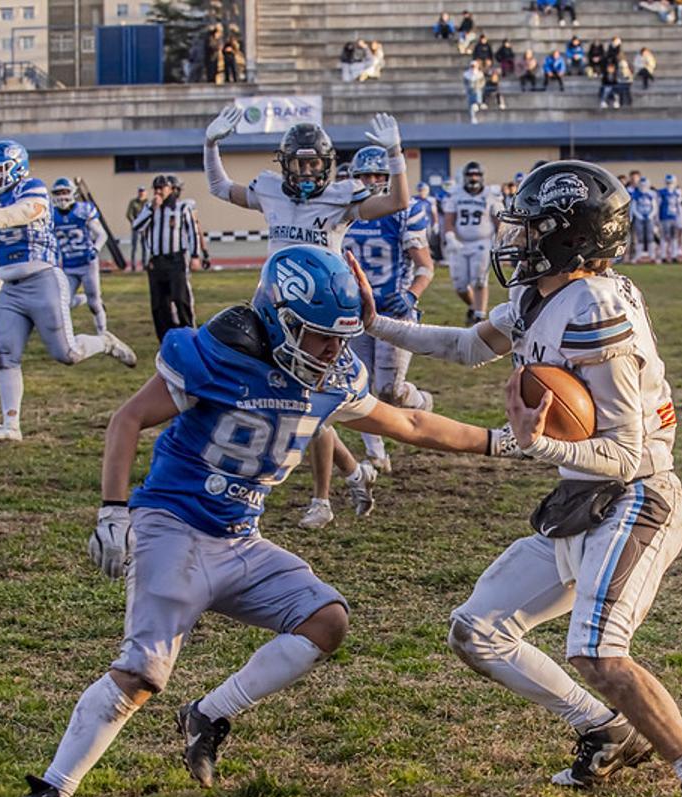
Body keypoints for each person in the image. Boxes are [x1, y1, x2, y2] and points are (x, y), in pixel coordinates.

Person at [14, 245, 531, 797]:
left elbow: (408, 422)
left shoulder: (332, 376)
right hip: (174, 527)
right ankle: (52, 789)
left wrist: (500, 442)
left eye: (340, 338)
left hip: (240, 536)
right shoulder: (219, 354)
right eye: (321, 336)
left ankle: (208, 714)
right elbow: (127, 418)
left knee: (326, 621)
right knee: (141, 674)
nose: (333, 352)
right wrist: (113, 510)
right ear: (281, 319)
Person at [359, 160, 682, 797]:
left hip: (637, 496)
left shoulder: (597, 309)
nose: (516, 237)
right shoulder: (543, 294)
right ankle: (605, 727)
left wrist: (535, 446)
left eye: (532, 226)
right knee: (476, 629)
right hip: (582, 495)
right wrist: (378, 325)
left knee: (599, 651)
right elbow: (466, 347)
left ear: (571, 236)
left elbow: (626, 456)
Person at [203, 107, 412, 526]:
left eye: (314, 163)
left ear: (326, 164)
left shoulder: (342, 197)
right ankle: (354, 473)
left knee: (311, 405)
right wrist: (210, 146)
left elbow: (397, 201)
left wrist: (396, 155)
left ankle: (324, 500)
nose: (306, 172)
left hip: (322, 315)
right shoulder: (270, 191)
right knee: (296, 404)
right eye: (299, 163)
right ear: (284, 164)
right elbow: (220, 187)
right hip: (274, 309)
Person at [0, 140, 136, 442]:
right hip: (11, 289)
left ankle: (106, 342)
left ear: (17, 168)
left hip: (43, 280)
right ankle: (11, 425)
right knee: (6, 352)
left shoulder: (33, 189)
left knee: (68, 354)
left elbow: (14, 215)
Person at [338, 146, 435, 476]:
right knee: (358, 386)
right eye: (365, 175)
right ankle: (376, 454)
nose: (372, 181)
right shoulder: (344, 209)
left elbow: (425, 266)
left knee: (389, 391)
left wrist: (411, 295)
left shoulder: (406, 211)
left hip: (394, 312)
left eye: (379, 175)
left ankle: (420, 401)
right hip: (356, 312)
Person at [132, 174, 200, 341]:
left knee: (180, 298)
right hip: (156, 261)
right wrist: (151, 209)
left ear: (170, 189)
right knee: (159, 304)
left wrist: (195, 255)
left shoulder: (181, 208)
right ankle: (166, 340)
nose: (158, 191)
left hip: (176, 259)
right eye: (155, 188)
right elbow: (137, 226)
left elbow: (192, 232)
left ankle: (189, 335)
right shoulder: (150, 208)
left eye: (161, 188)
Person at [442, 160, 502, 325]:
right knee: (460, 286)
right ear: (464, 177)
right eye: (470, 174)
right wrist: (450, 237)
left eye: (476, 174)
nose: (473, 178)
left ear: (482, 176)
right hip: (459, 243)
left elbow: (498, 221)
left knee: (479, 281)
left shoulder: (491, 195)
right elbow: (449, 219)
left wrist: (501, 241)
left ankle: (479, 316)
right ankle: (473, 306)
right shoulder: (456, 194)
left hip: (482, 242)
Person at [51, 178, 108, 333]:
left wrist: (95, 249)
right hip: (69, 265)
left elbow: (102, 234)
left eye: (65, 192)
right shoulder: (52, 215)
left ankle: (103, 333)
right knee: (64, 303)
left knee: (94, 303)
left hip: (87, 263)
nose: (62, 196)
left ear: (73, 193)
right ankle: (82, 300)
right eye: (58, 193)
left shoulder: (83, 211)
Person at [657, 174, 682, 263]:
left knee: (674, 237)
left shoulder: (677, 193)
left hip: (674, 217)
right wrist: (657, 218)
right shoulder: (661, 192)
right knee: (664, 237)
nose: (670, 184)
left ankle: (674, 256)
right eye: (668, 182)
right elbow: (658, 206)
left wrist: (681, 218)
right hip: (664, 217)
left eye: (671, 182)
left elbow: (679, 206)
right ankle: (663, 256)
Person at [629, 178, 658, 262]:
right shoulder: (636, 194)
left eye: (645, 185)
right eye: (642, 185)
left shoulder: (651, 194)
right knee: (640, 237)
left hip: (649, 218)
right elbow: (633, 207)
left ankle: (652, 256)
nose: (643, 187)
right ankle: (638, 256)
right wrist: (638, 215)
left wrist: (651, 215)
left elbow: (654, 206)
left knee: (650, 237)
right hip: (639, 218)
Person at [125, 185, 147, 271]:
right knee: (135, 247)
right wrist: (135, 222)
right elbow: (129, 214)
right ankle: (133, 265)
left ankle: (145, 264)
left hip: (145, 227)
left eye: (143, 191)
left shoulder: (148, 203)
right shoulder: (133, 202)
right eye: (140, 191)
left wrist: (145, 224)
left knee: (145, 246)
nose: (141, 193)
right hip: (136, 227)